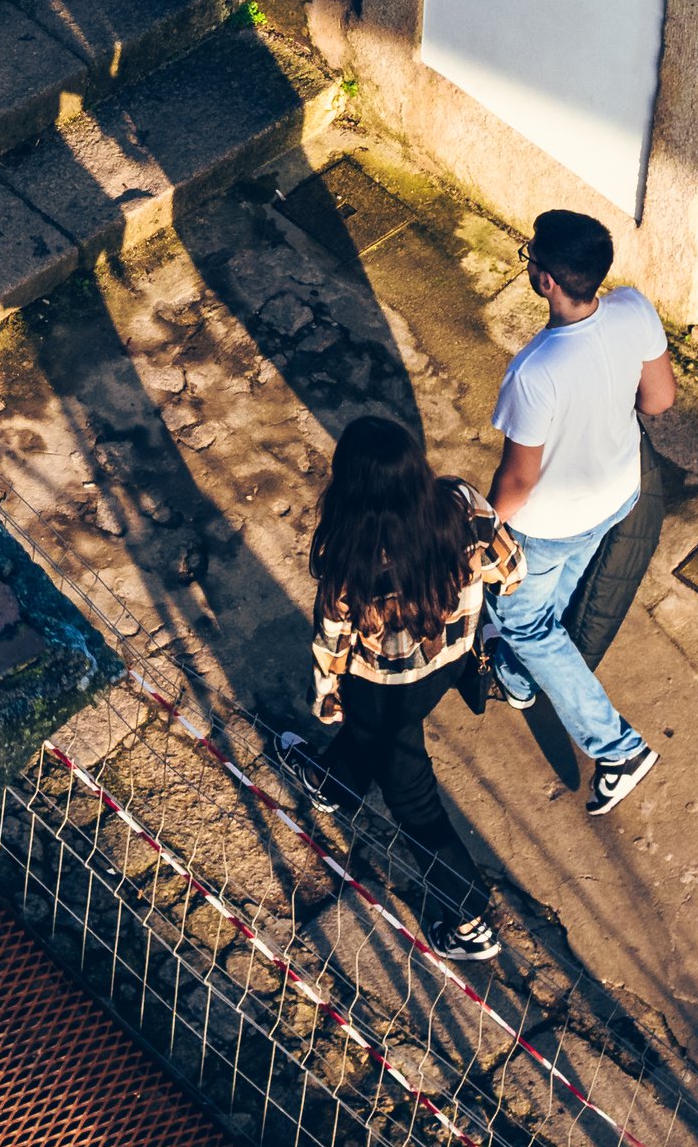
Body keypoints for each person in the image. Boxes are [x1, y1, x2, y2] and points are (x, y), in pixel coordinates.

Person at [278, 414, 521, 964]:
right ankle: (334, 784)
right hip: (449, 665)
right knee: (376, 743)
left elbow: (333, 643)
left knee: (413, 799)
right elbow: (513, 570)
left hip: (385, 688)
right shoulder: (459, 504)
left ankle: (468, 920)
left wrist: (326, 699)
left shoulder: (349, 558)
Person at [483, 208, 674, 817]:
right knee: (554, 601)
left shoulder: (536, 370)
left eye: (531, 256)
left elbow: (520, 478)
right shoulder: (633, 310)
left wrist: (481, 529)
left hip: (547, 524)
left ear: (545, 281)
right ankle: (517, 677)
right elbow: (661, 399)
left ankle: (617, 747)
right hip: (617, 493)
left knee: (524, 620)